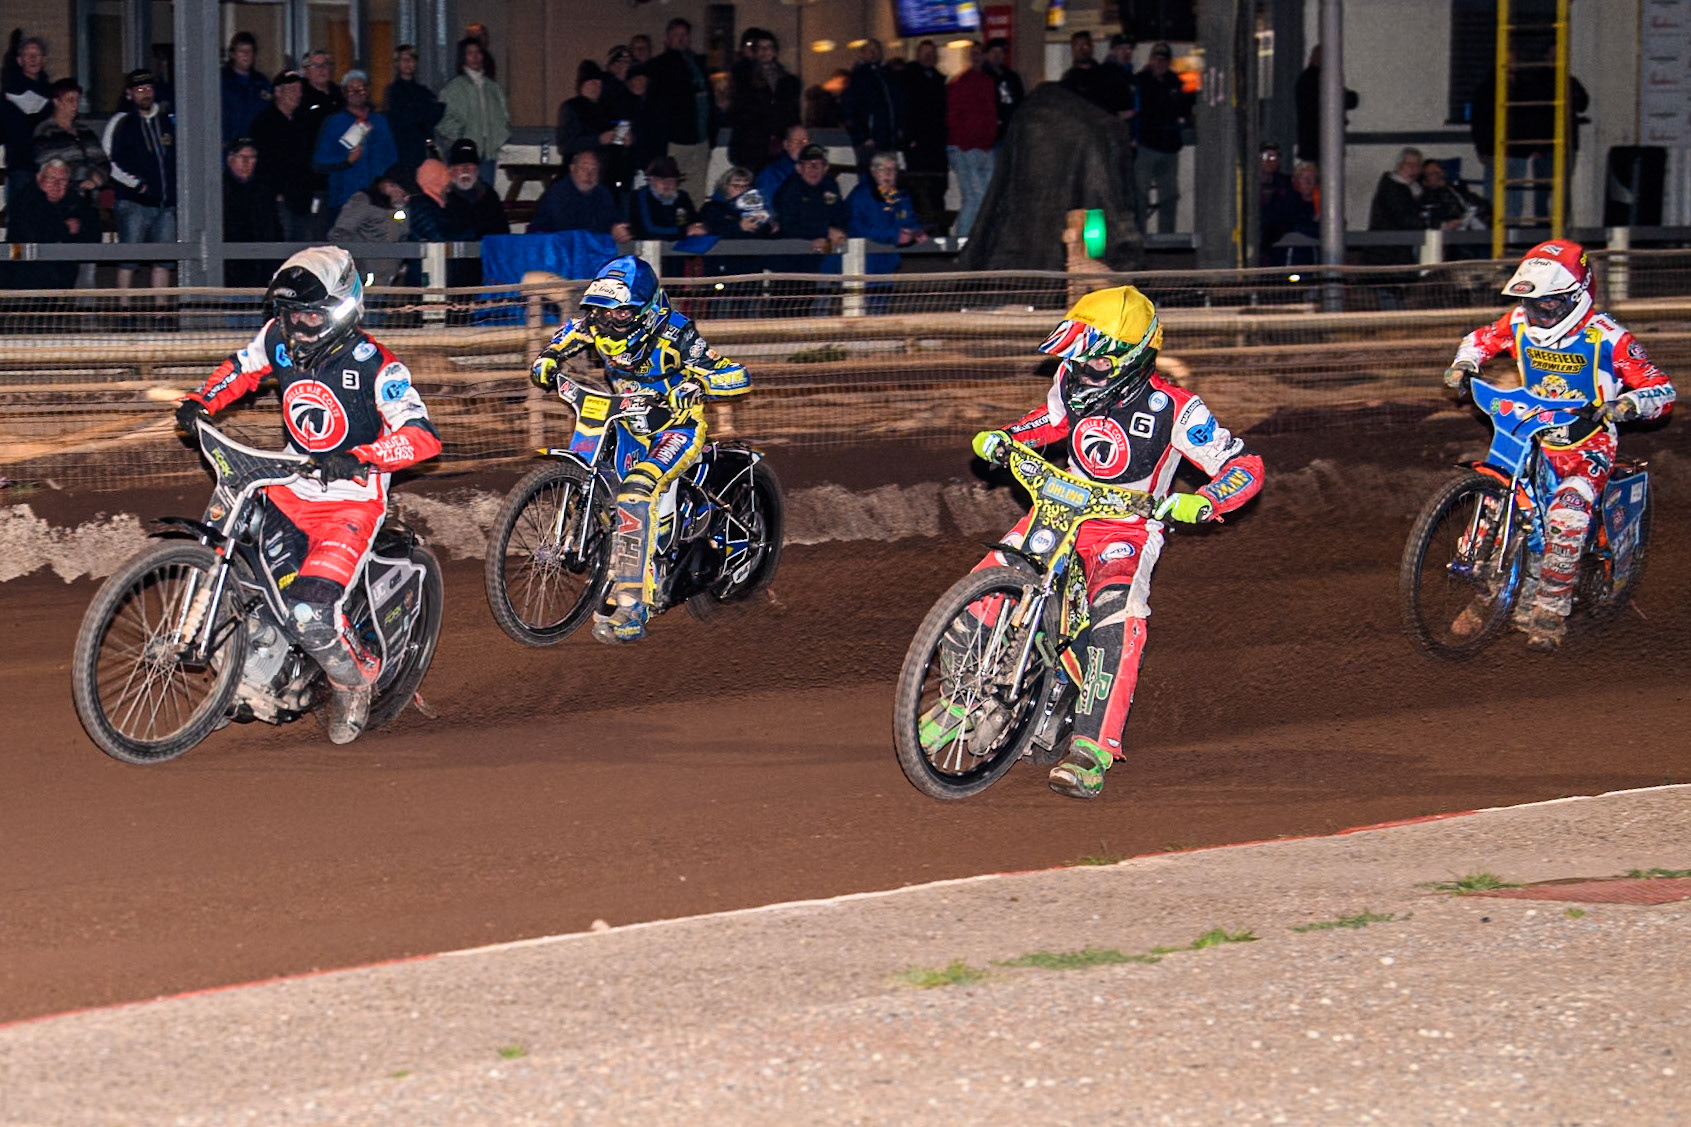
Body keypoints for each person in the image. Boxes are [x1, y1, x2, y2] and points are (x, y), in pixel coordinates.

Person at [965, 286, 1264, 797]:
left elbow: (1243, 465)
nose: (1082, 373)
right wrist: (1010, 437)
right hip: (1060, 505)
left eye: (1094, 364)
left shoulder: (1177, 410)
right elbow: (1053, 419)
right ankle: (958, 699)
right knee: (985, 586)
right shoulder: (1070, 377)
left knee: (1116, 612)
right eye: (1077, 362)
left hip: (1125, 526)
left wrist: (1207, 500)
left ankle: (1091, 747)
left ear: (1130, 358)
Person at [172, 248, 440, 742]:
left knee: (310, 614)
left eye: (313, 314)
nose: (300, 324)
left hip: (350, 502)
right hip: (290, 485)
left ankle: (354, 682)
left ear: (342, 308)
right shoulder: (277, 339)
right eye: (293, 313)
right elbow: (242, 367)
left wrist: (362, 457)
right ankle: (247, 664)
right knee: (244, 565)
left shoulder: (378, 365)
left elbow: (424, 436)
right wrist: (200, 400)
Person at [1442, 240, 1674, 650]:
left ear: (1578, 296)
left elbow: (1662, 389)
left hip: (1587, 445)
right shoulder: (1517, 322)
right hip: (1529, 434)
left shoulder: (1610, 338)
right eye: (1535, 304)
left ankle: (1549, 613)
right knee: (1497, 507)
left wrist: (1629, 403)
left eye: (1551, 303)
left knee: (1567, 515)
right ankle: (1488, 598)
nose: (1540, 313)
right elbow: (1479, 339)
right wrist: (1465, 363)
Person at [527, 256, 750, 642]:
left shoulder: (677, 333)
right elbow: (566, 335)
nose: (608, 321)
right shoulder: (595, 326)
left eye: (621, 312)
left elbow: (736, 375)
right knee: (607, 486)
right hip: (626, 423)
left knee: (635, 491)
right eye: (601, 311)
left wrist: (703, 385)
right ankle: (629, 558)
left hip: (677, 428)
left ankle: (631, 605)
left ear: (646, 310)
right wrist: (547, 357)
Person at [104, 69, 177, 292]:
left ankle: (160, 313)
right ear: (129, 94)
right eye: (139, 90)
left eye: (148, 89)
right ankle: (125, 311)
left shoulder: (167, 121)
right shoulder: (121, 122)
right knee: (128, 260)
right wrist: (135, 184)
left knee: (163, 261)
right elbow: (107, 160)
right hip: (133, 203)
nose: (145, 94)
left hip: (165, 204)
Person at [311, 69, 398, 226]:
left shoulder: (380, 121)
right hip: (344, 200)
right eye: (351, 89)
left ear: (369, 90)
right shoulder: (334, 123)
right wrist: (346, 161)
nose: (357, 93)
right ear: (344, 93)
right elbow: (318, 163)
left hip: (379, 201)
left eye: (361, 88)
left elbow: (392, 159)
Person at [1, 158, 99, 288]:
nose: (56, 184)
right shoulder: (24, 198)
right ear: (39, 178)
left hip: (60, 261)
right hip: (22, 258)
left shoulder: (74, 200)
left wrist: (79, 228)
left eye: (62, 180)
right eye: (51, 178)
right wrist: (65, 229)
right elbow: (29, 235)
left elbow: (94, 233)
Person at [647, 17, 712, 193]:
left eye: (684, 34)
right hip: (676, 140)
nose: (681, 38)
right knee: (670, 187)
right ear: (667, 38)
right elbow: (655, 107)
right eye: (676, 35)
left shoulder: (698, 64)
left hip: (701, 139)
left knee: (697, 187)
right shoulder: (659, 66)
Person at [251, 71, 318, 241]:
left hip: (302, 198)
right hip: (279, 199)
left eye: (299, 89)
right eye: (292, 89)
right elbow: (263, 163)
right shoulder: (265, 122)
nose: (297, 94)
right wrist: (276, 193)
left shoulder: (303, 121)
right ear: (278, 92)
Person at [1134, 42, 1191, 235]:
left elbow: (1185, 109)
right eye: (1157, 60)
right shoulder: (1140, 82)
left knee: (1169, 196)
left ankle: (1167, 236)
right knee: (1140, 195)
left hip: (1169, 147)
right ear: (1151, 61)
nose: (1160, 64)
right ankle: (1139, 235)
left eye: (1163, 60)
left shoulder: (1175, 83)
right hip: (1146, 145)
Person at [438, 36, 509, 187]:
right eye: (470, 53)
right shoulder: (454, 88)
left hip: (488, 151)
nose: (475, 57)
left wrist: (499, 136)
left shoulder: (492, 88)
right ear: (463, 57)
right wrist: (461, 134)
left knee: (486, 193)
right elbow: (443, 119)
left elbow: (503, 115)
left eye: (478, 52)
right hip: (464, 153)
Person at [728, 29, 801, 173]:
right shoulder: (744, 77)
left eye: (769, 47)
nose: (765, 51)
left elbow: (792, 114)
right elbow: (739, 111)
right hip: (751, 146)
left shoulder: (788, 81)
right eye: (761, 48)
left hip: (778, 145)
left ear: (775, 51)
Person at [327, 165, 411, 286]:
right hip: (360, 281)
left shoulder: (400, 208)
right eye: (404, 194)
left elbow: (402, 238)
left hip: (387, 280)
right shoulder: (362, 201)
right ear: (389, 185)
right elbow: (340, 234)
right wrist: (355, 268)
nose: (406, 199)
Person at [946, 42, 995, 239]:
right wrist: (965, 144)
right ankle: (963, 242)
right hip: (965, 147)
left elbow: (990, 114)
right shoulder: (959, 83)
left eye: (979, 53)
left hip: (983, 146)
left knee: (981, 198)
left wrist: (987, 140)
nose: (976, 57)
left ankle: (972, 242)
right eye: (973, 54)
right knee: (975, 198)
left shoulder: (987, 81)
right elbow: (953, 117)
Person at [31, 77, 109, 201]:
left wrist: (97, 179)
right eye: (70, 100)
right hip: (61, 198)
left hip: (89, 198)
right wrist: (86, 176)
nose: (75, 105)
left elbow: (103, 160)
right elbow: (51, 165)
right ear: (56, 102)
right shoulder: (45, 131)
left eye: (77, 100)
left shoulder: (85, 131)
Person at [899, 39, 948, 229]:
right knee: (918, 189)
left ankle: (936, 229)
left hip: (935, 143)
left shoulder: (938, 79)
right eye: (925, 52)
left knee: (937, 187)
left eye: (932, 53)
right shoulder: (907, 78)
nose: (929, 56)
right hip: (918, 144)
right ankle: (919, 230)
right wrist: (909, 137)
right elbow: (904, 110)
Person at [529, 149, 630, 239]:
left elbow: (614, 221)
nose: (589, 175)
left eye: (594, 170)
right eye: (584, 169)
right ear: (572, 169)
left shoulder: (603, 194)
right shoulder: (558, 194)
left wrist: (619, 231)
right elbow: (567, 231)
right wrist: (608, 233)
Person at [223, 137, 281, 286]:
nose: (246, 162)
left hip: (262, 269)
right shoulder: (219, 190)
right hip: (231, 269)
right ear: (230, 159)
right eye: (242, 157)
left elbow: (274, 228)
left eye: (252, 157)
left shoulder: (264, 189)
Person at [847, 150, 927, 257]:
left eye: (892, 169)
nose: (888, 173)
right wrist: (894, 235)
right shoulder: (861, 195)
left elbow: (908, 220)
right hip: (861, 254)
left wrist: (917, 232)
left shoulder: (900, 196)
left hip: (889, 255)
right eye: (882, 169)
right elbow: (856, 228)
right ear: (873, 171)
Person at [842, 38, 903, 175]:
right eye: (870, 50)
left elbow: (897, 104)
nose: (874, 53)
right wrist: (863, 136)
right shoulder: (857, 78)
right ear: (862, 53)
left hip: (887, 139)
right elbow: (850, 110)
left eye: (876, 50)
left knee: (888, 177)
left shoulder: (888, 76)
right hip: (870, 141)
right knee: (870, 178)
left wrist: (898, 128)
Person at [3, 34, 51, 203]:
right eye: (27, 54)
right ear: (19, 60)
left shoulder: (51, 94)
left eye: (36, 54)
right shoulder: (9, 93)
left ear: (43, 60)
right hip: (21, 166)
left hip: (49, 167)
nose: (32, 59)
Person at [772, 143, 847, 253]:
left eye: (818, 164)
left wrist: (835, 234)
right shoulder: (789, 190)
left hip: (827, 246)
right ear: (798, 168)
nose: (814, 169)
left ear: (826, 168)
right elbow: (788, 227)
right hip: (794, 250)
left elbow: (839, 216)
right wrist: (823, 232)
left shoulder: (830, 185)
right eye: (808, 164)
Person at [384, 44, 445, 177]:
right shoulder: (393, 91)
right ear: (397, 64)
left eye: (411, 60)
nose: (408, 64)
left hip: (421, 146)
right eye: (403, 60)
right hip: (403, 146)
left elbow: (437, 111)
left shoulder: (423, 91)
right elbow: (404, 118)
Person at [1294, 44, 1357, 165]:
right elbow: (1347, 100)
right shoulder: (1320, 80)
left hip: (1313, 143)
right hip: (1322, 143)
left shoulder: (1307, 79)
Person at [1365, 147, 1424, 265]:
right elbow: (1405, 219)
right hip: (1386, 254)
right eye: (1409, 164)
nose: (1413, 169)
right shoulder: (1392, 189)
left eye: (1417, 165)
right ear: (1398, 166)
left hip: (1400, 251)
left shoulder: (1417, 190)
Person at [629, 154, 705, 240]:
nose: (667, 184)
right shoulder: (640, 196)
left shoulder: (682, 198)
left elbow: (689, 221)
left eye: (671, 180)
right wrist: (683, 231)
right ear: (651, 180)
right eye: (661, 180)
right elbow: (647, 229)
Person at [220, 31, 272, 145]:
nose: (246, 55)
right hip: (229, 146)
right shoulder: (221, 82)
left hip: (256, 146)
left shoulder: (262, 83)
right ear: (233, 54)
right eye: (242, 51)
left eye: (250, 51)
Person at [981, 38, 1023, 143]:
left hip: (1010, 128)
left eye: (1000, 52)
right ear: (986, 55)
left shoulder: (1011, 76)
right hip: (990, 130)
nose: (997, 55)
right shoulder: (982, 77)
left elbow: (1019, 98)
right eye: (994, 52)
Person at [753, 124, 808, 203]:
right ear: (786, 145)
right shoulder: (771, 174)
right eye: (796, 141)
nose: (801, 145)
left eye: (804, 141)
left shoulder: (816, 172)